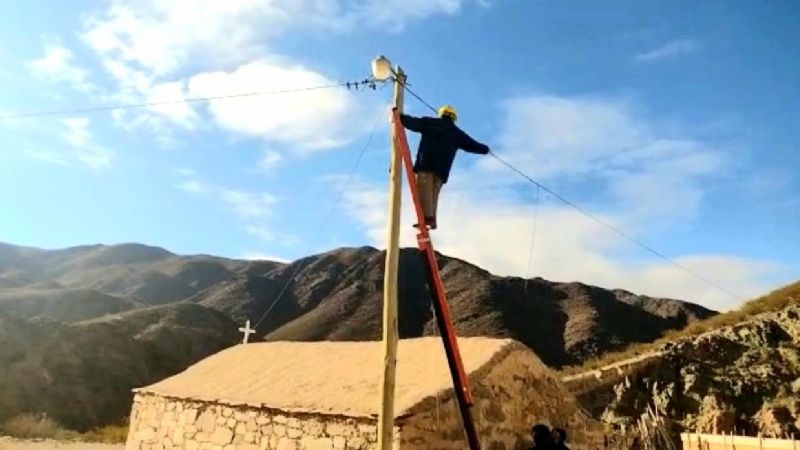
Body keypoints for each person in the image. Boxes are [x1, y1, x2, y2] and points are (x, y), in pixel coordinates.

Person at [398, 104, 490, 230]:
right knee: (433, 194)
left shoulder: (430, 122)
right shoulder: (457, 133)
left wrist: (399, 116)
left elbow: (412, 122)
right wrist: (485, 149)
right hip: (442, 170)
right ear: (453, 118)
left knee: (424, 191)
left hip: (427, 163)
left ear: (441, 114)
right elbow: (472, 144)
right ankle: (432, 219)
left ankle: (427, 218)